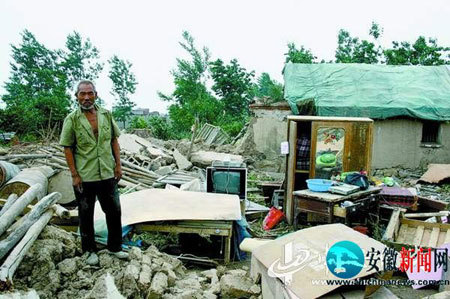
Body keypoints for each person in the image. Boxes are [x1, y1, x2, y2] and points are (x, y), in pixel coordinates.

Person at [59, 80, 128, 265]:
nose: (87, 97)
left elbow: (114, 140)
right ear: (77, 96)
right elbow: (67, 148)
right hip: (85, 175)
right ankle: (89, 251)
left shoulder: (106, 114)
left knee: (114, 211)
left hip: (107, 172)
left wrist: (118, 165)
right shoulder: (72, 119)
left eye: (90, 93)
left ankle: (115, 248)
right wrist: (74, 175)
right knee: (85, 213)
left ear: (96, 94)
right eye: (83, 94)